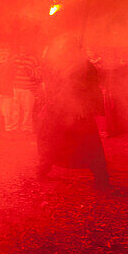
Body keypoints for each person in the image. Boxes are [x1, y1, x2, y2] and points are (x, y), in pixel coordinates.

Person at [36, 35, 110, 190]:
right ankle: (43, 168)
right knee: (51, 141)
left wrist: (87, 107)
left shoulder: (86, 67)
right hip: (58, 109)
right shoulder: (58, 65)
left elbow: (92, 89)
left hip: (79, 111)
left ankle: (101, 179)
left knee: (89, 145)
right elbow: (52, 84)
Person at [11, 44, 41, 133]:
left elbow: (38, 74)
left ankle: (26, 128)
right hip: (16, 87)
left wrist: (29, 71)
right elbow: (10, 72)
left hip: (28, 88)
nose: (23, 47)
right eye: (21, 45)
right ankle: (14, 127)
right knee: (15, 109)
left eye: (25, 46)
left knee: (27, 110)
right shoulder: (14, 58)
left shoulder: (33, 59)